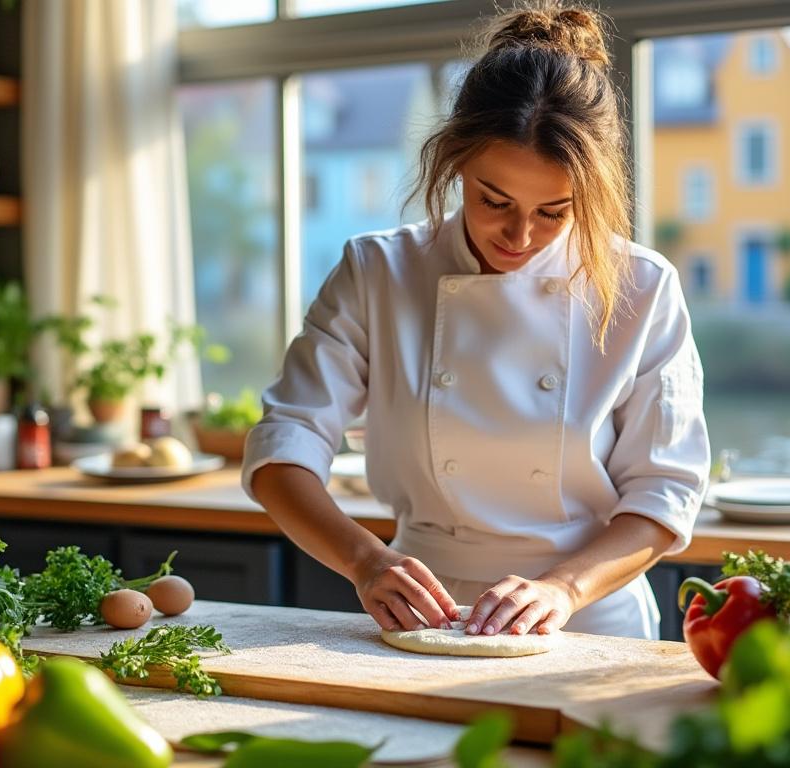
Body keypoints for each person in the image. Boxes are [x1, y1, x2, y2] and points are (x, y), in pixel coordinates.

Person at [241, 1, 710, 641]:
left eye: (555, 211)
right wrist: (365, 560)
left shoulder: (641, 286)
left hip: (587, 619)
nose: (520, 234)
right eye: (495, 200)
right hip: (419, 611)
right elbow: (282, 449)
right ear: (456, 160)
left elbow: (664, 493)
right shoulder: (379, 271)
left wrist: (563, 588)